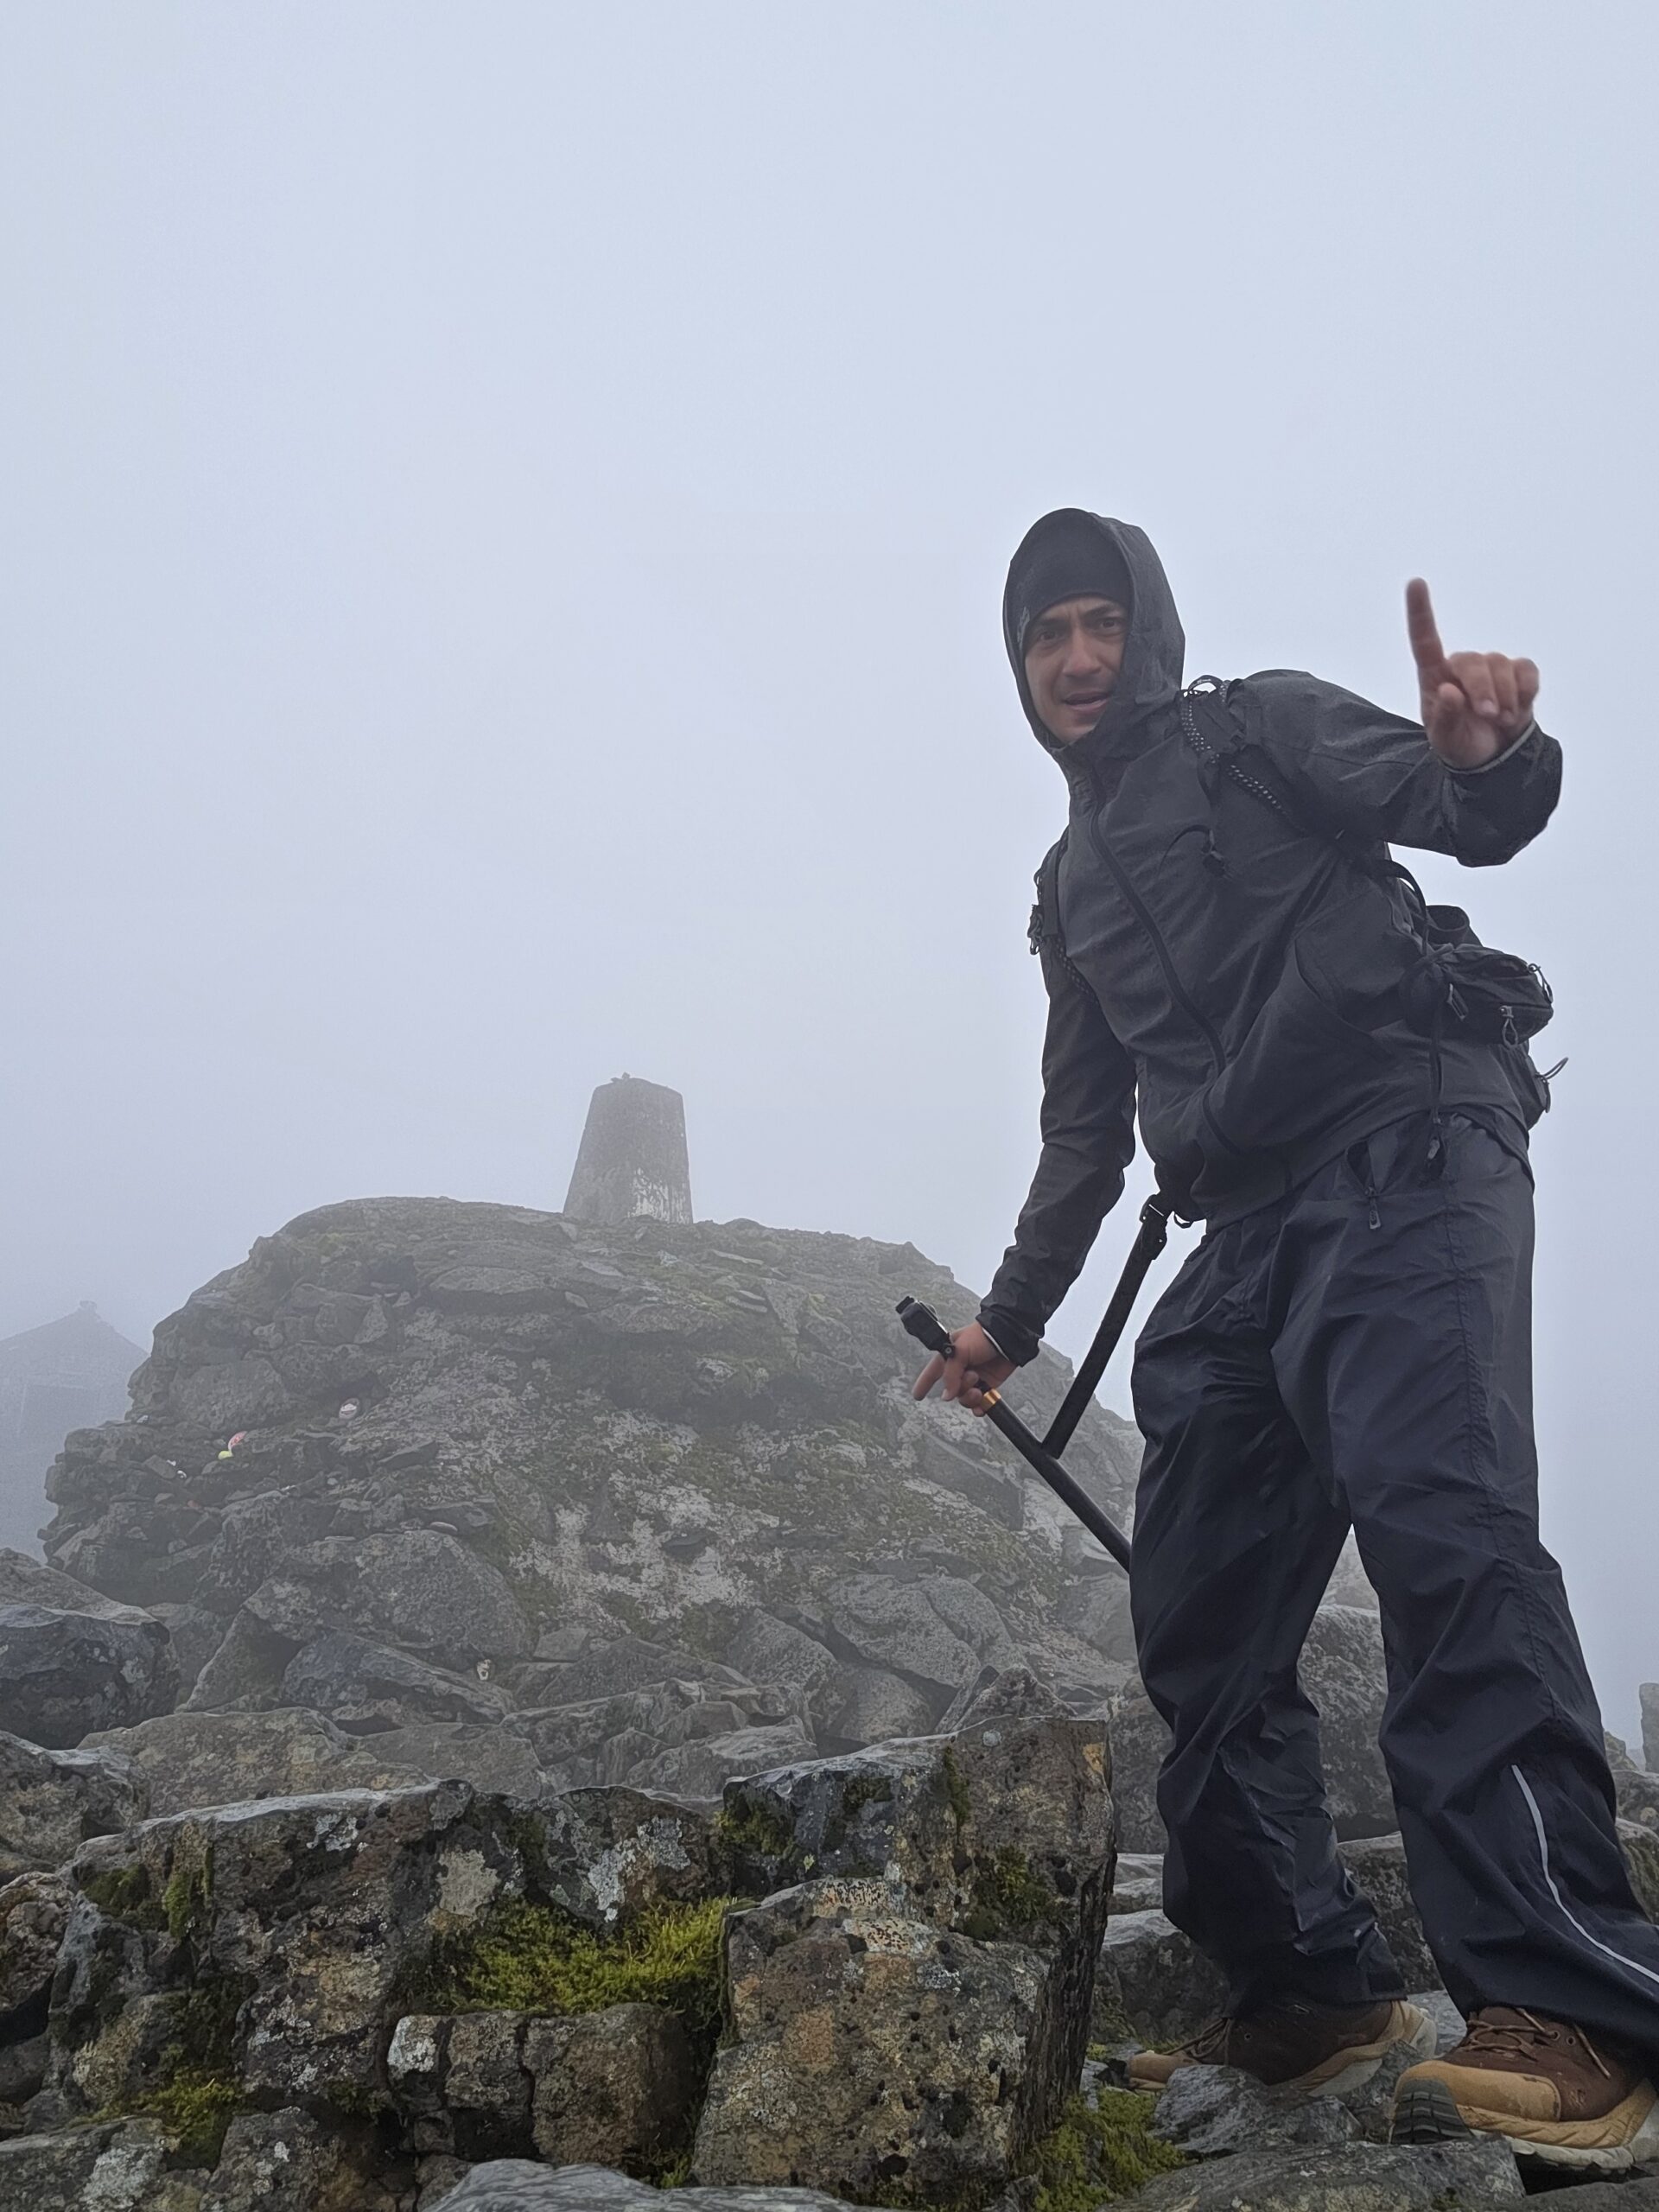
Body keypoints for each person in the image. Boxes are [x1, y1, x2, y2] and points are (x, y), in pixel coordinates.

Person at [912, 509, 1659, 2171]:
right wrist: (1006, 1325)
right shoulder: (1072, 888)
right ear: (1020, 670)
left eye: (1101, 621)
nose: (1078, 658)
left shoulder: (1257, 728)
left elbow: (1460, 806)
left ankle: (1581, 2015)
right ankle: (1313, 1990)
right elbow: (1084, 1135)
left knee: (1444, 1532)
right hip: (1245, 1226)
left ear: (1149, 630)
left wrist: (1492, 751)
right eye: (1046, 636)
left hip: (1409, 1133)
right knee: (1197, 1611)